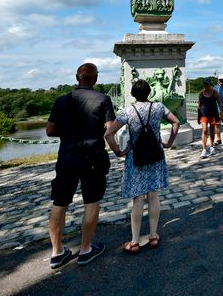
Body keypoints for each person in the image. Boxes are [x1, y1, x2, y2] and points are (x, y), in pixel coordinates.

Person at [46, 63, 119, 268]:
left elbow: (50, 131)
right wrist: (118, 151)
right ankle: (86, 249)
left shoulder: (62, 100)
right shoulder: (103, 99)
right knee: (91, 202)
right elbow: (110, 130)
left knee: (59, 203)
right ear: (95, 79)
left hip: (67, 157)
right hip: (92, 158)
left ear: (77, 77)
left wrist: (69, 132)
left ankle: (57, 252)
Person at [105, 79, 180, 254]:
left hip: (136, 157)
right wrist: (168, 143)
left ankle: (135, 241)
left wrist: (118, 151)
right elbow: (176, 122)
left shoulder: (128, 112)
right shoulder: (159, 107)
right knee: (153, 195)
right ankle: (153, 236)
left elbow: (108, 134)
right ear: (149, 92)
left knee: (138, 198)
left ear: (133, 94)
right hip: (155, 154)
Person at [197, 78, 223, 158]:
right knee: (204, 130)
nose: (206, 86)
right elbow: (199, 105)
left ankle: (211, 147)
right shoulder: (201, 94)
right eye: (205, 84)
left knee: (212, 130)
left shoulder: (215, 93)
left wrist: (221, 112)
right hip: (204, 114)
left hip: (213, 114)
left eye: (207, 84)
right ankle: (204, 149)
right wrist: (198, 116)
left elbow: (219, 102)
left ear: (210, 85)